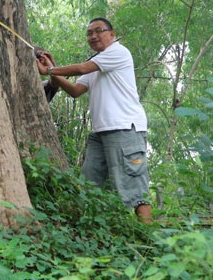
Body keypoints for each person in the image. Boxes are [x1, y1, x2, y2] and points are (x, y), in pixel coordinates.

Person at [37, 17, 152, 222]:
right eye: (89, 33)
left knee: (135, 187)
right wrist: (53, 69)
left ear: (112, 34)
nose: (93, 36)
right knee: (90, 183)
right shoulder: (97, 61)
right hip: (101, 132)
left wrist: (49, 71)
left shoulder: (118, 52)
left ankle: (150, 238)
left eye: (99, 30)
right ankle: (98, 229)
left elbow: (81, 68)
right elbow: (75, 90)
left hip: (125, 127)